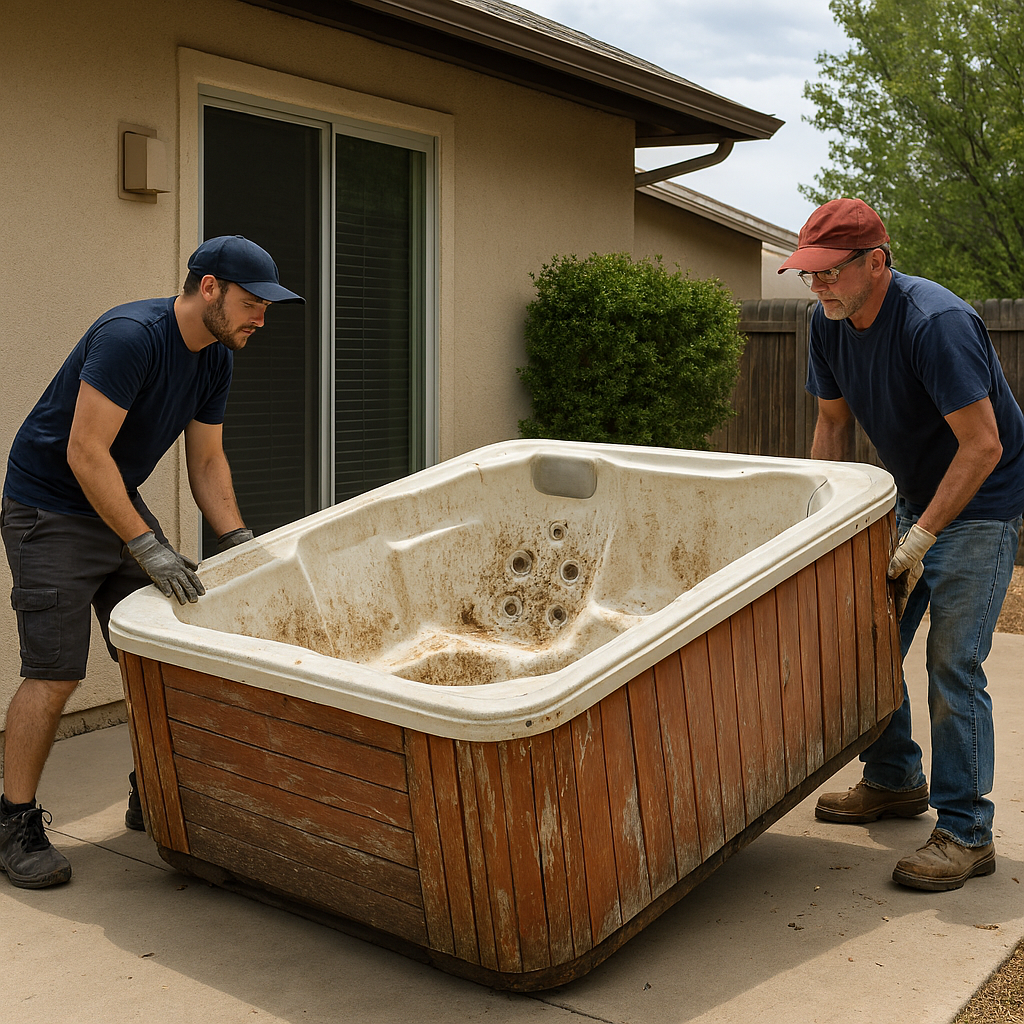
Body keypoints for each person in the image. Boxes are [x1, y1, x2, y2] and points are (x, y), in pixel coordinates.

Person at [0, 235, 304, 888]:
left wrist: (239, 544)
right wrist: (145, 544)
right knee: (54, 672)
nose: (261, 318)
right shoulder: (131, 335)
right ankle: (13, 821)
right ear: (209, 288)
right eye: (253, 303)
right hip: (48, 507)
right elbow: (84, 451)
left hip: (114, 503)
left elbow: (207, 461)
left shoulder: (215, 358)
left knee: (158, 655)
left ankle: (157, 789)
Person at [777, 198, 1024, 891]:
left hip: (983, 498)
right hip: (908, 489)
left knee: (954, 661)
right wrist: (816, 523)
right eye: (810, 274)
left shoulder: (934, 323)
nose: (819, 286)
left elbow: (984, 445)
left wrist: (922, 536)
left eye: (830, 273)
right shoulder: (824, 323)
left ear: (875, 262)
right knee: (865, 639)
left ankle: (967, 833)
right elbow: (831, 428)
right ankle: (894, 779)